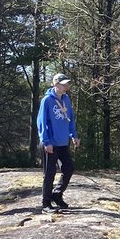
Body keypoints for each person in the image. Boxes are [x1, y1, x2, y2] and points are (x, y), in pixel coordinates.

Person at [37, 73, 80, 212]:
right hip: (50, 143)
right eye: (63, 84)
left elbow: (70, 118)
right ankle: (46, 203)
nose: (66, 86)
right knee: (49, 173)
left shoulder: (66, 99)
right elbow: (41, 122)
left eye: (67, 83)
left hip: (63, 142)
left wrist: (74, 135)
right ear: (56, 85)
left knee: (69, 168)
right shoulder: (47, 100)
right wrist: (46, 141)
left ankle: (57, 194)